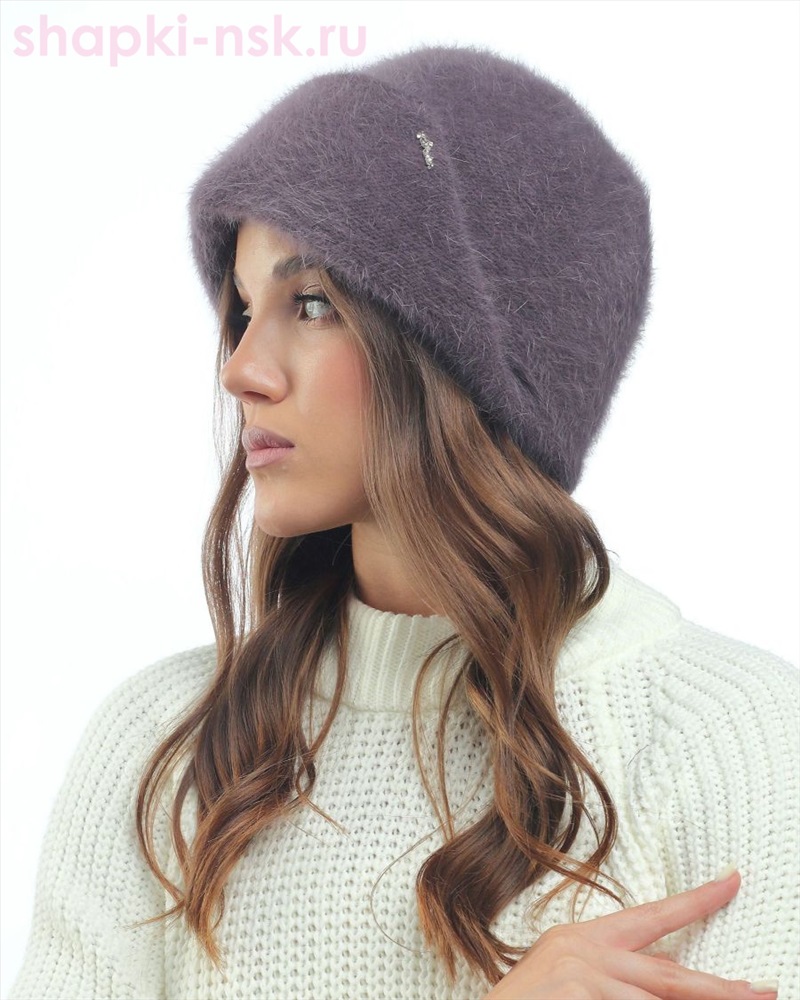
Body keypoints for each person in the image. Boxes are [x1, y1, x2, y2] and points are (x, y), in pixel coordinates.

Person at [9, 43, 798, 1000]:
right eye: (242, 311)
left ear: (464, 363)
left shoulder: (729, 737)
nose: (242, 369)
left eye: (310, 304)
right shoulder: (165, 753)